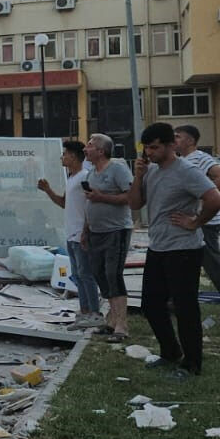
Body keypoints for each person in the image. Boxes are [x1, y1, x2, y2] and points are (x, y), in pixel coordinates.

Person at [128, 122, 220, 378]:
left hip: (183, 249)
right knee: (151, 304)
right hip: (158, 247)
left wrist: (195, 222)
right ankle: (170, 351)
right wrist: (138, 176)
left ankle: (192, 364)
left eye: (155, 147)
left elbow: (215, 199)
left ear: (171, 145)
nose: (150, 152)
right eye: (147, 148)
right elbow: (135, 203)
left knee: (185, 308)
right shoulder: (152, 171)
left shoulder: (186, 170)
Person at [173, 125, 220, 317]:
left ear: (190, 140)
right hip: (189, 220)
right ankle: (178, 303)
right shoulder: (181, 161)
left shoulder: (201, 158)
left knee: (213, 265)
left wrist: (204, 193)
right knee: (182, 264)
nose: (174, 140)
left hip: (206, 220)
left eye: (178, 137)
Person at [37, 140, 100, 330]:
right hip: (71, 234)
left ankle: (94, 313)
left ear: (73, 156)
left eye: (65, 154)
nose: (62, 157)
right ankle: (85, 311)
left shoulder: (85, 177)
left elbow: (92, 206)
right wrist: (48, 190)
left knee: (86, 274)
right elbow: (65, 203)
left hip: (81, 234)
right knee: (77, 275)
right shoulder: (71, 178)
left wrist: (86, 231)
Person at [82, 133, 135, 342]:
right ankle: (111, 320)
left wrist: (101, 197)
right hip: (96, 231)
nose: (85, 149)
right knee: (99, 273)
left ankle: (122, 325)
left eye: (89, 145)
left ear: (100, 151)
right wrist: (85, 231)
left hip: (116, 230)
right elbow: (89, 203)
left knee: (113, 274)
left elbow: (130, 197)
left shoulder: (118, 169)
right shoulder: (91, 173)